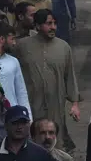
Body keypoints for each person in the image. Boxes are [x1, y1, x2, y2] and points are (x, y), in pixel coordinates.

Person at [14, 9, 80, 151]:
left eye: (55, 23)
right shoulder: (22, 46)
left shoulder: (63, 47)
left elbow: (70, 77)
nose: (53, 27)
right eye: (49, 24)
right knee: (31, 138)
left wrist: (74, 104)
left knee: (54, 139)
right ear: (37, 26)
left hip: (55, 105)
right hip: (31, 103)